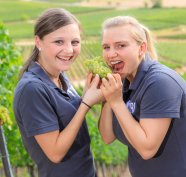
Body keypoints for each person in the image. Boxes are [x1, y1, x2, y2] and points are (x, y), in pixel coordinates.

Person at [13, 8, 102, 177]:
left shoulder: (60, 76)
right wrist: (86, 104)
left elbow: (68, 120)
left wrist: (86, 94)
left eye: (75, 42)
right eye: (59, 42)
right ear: (39, 42)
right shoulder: (32, 89)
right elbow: (55, 152)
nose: (69, 50)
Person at [98, 16, 186, 177]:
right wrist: (108, 98)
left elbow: (147, 149)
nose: (111, 54)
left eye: (121, 45)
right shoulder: (124, 82)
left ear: (141, 48)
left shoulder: (159, 83)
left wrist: (116, 102)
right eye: (106, 47)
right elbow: (107, 136)